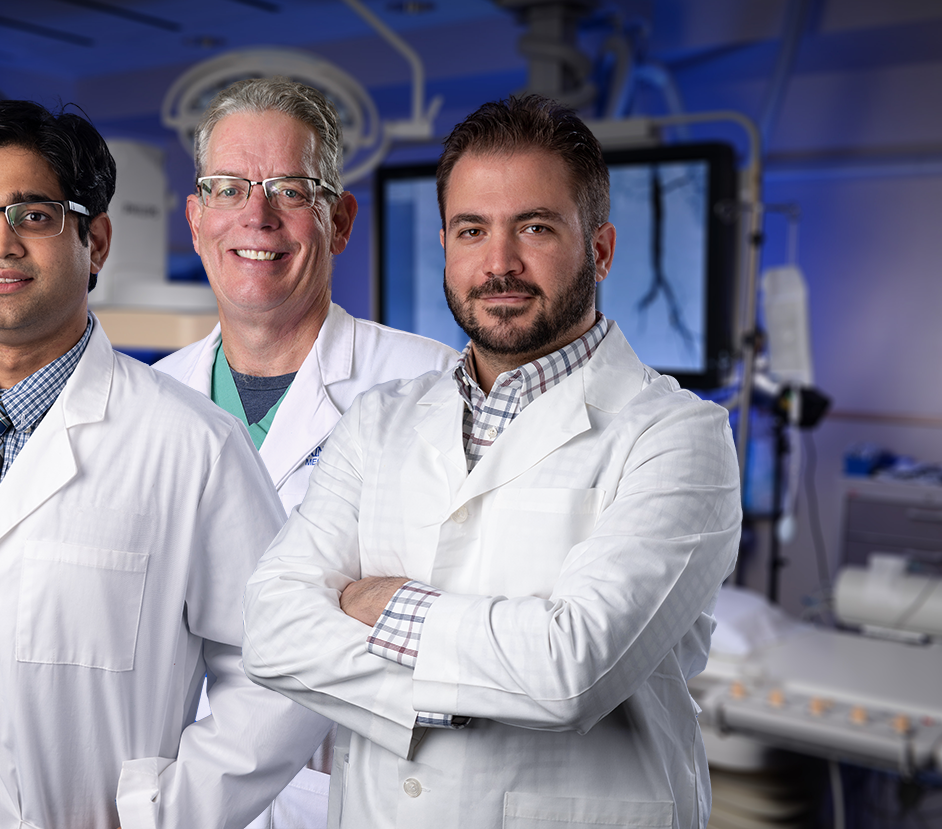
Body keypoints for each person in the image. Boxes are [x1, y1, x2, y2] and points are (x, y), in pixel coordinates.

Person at [0, 100, 329, 829]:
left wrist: (168, 813)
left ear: (95, 240)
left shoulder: (191, 445)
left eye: (34, 215)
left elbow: (285, 668)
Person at [243, 94, 741, 829]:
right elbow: (273, 630)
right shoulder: (380, 421)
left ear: (599, 249)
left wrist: (382, 605)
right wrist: (477, 675)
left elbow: (570, 673)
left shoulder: (677, 437)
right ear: (444, 245)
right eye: (472, 230)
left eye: (534, 227)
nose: (499, 263)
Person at [154, 77, 453, 825]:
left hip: (357, 794)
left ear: (340, 220)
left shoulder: (433, 386)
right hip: (182, 787)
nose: (256, 216)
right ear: (196, 220)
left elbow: (470, 617)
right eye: (227, 189)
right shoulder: (150, 401)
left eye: (290, 189)